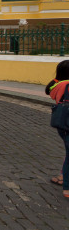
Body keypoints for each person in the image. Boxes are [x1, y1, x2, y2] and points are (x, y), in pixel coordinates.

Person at [46, 60, 69, 198]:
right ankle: (67, 187)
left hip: (62, 123)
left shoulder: (57, 85)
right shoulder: (67, 85)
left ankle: (62, 177)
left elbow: (48, 90)